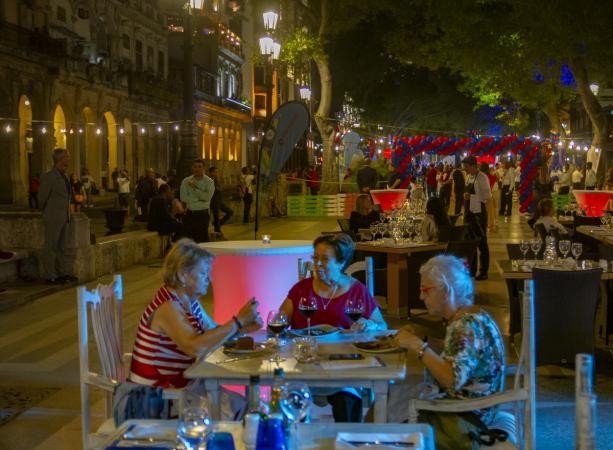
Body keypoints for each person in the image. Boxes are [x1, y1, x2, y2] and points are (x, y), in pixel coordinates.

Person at [129, 239, 262, 418]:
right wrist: (237, 322)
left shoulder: (189, 302)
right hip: (156, 401)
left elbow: (213, 333)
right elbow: (194, 347)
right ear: (183, 275)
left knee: (251, 410)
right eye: (204, 273)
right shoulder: (167, 307)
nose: (210, 279)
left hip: (180, 390)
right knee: (248, 415)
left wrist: (244, 327)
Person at [390, 255, 505, 449]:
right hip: (478, 408)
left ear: (446, 292)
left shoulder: (465, 326)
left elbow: (452, 380)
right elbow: (459, 354)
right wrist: (424, 338)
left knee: (385, 412)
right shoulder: (473, 315)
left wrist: (418, 346)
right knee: (392, 400)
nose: (421, 297)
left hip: (466, 417)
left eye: (425, 290)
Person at [279, 234, 387, 422]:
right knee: (290, 401)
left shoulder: (357, 290)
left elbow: (382, 326)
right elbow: (278, 324)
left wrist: (369, 325)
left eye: (324, 259)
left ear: (341, 262)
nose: (317, 264)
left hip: (343, 367)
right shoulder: (301, 290)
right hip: (304, 366)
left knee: (345, 398)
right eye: (315, 258)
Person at [38, 149, 77, 285]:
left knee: (62, 247)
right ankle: (50, 275)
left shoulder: (64, 176)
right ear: (60, 159)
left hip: (64, 217)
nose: (69, 159)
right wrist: (48, 212)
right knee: (51, 246)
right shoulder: (49, 176)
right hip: (53, 217)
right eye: (67, 157)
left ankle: (63, 273)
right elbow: (41, 198)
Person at [462, 156, 491, 280]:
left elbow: (487, 196)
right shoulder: (468, 177)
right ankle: (471, 270)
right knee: (470, 243)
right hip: (469, 213)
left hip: (478, 214)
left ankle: (483, 271)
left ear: (473, 166)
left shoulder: (482, 177)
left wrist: (472, 197)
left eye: (466, 166)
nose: (465, 168)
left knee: (482, 243)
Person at [181, 159, 215, 243]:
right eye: (195, 167)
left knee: (201, 240)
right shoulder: (186, 181)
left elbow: (207, 198)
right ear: (192, 168)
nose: (197, 169)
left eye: (199, 167)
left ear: (204, 168)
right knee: (188, 241)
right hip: (189, 214)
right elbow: (183, 197)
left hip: (202, 215)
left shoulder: (209, 182)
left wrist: (195, 188)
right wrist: (200, 198)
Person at [209, 166, 233, 235]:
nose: (217, 173)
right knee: (216, 218)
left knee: (230, 212)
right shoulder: (209, 181)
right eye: (216, 172)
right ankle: (218, 232)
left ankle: (219, 224)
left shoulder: (216, 180)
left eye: (217, 172)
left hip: (219, 201)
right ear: (212, 173)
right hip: (213, 202)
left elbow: (219, 188)